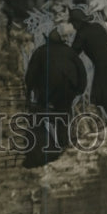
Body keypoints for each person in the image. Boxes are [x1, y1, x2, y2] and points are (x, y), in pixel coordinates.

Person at [23, 26, 87, 167]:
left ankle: (44, 150)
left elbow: (31, 75)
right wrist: (79, 90)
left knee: (41, 117)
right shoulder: (70, 52)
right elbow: (81, 72)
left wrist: (28, 92)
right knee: (63, 117)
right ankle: (64, 145)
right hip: (67, 92)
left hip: (47, 93)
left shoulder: (40, 52)